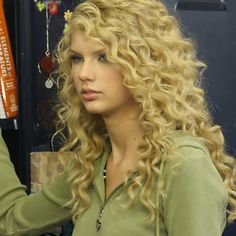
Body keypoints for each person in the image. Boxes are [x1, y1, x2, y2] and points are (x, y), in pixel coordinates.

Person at [0, 0, 236, 235]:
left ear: (144, 64)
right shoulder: (91, 165)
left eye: (103, 57)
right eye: (77, 58)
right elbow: (12, 220)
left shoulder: (183, 164)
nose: (83, 74)